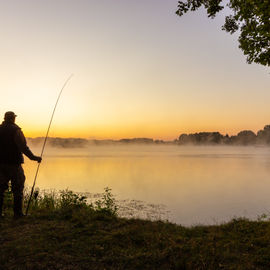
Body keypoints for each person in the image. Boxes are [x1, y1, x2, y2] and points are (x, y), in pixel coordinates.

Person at [0, 111, 42, 218]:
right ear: (13, 118)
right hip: (14, 164)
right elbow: (23, 147)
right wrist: (34, 158)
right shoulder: (16, 130)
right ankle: (18, 214)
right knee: (18, 188)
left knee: (0, 189)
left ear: (5, 118)